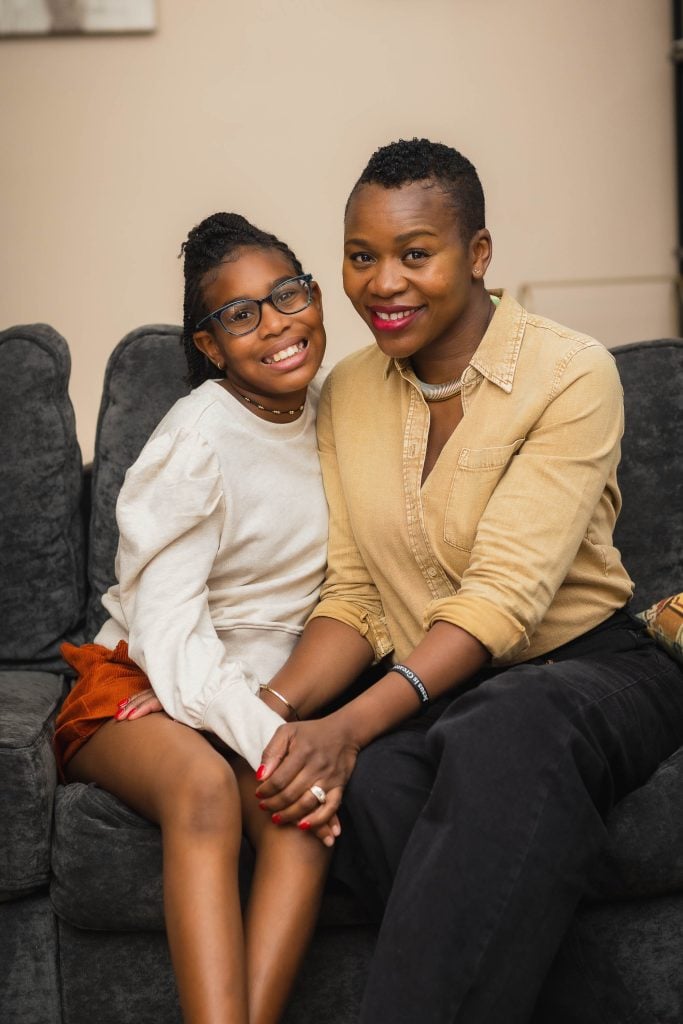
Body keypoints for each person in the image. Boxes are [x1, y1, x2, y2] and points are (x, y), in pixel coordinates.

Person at [249, 139, 683, 1023]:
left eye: (415, 254)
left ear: (478, 255)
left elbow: (504, 600)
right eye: (361, 257)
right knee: (361, 792)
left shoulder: (570, 374)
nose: (383, 283)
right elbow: (355, 597)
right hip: (438, 696)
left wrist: (352, 723)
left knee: (502, 727)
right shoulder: (346, 395)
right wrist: (263, 713)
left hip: (584, 673)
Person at [53, 212, 333, 1024]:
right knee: (207, 787)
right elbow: (170, 641)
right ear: (208, 347)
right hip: (143, 677)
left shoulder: (336, 414)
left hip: (255, 692)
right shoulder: (197, 442)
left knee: (298, 821)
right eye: (240, 314)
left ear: (314, 295)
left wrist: (266, 718)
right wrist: (246, 727)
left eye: (287, 294)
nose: (275, 323)